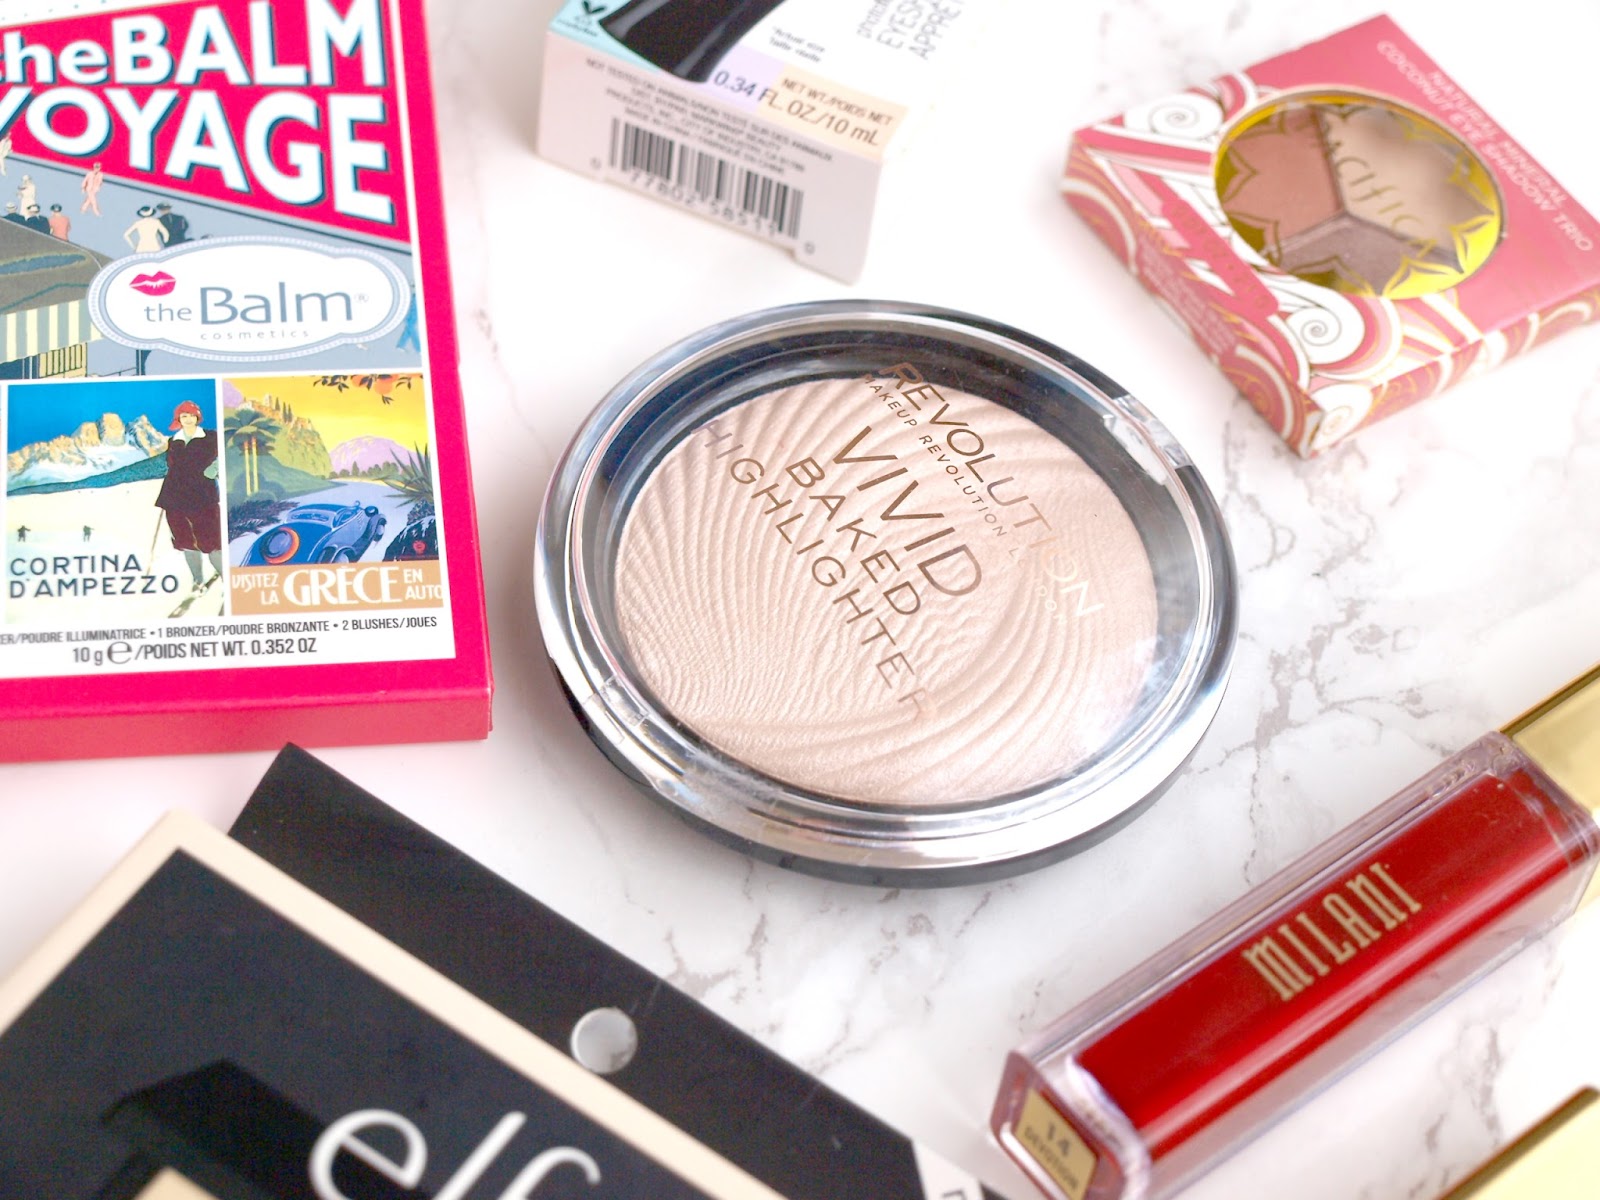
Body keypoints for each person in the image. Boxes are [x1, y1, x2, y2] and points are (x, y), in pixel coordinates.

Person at [154, 400, 222, 592]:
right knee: (185, 540)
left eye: (192, 415)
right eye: (184, 416)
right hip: (175, 496)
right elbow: (172, 465)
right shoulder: (174, 441)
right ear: (179, 419)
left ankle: (227, 577)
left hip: (203, 495)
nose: (189, 419)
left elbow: (225, 454)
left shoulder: (211, 437)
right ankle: (198, 580)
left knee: (211, 540)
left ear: (198, 417)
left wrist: (215, 468)